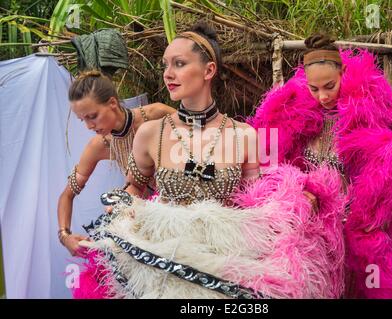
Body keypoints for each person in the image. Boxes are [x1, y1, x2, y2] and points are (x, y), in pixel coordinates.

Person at [73, 24, 346, 299]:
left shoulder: (245, 135)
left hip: (226, 268)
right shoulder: (150, 133)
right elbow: (134, 187)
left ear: (209, 70)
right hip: (164, 264)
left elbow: (258, 200)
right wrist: (122, 206)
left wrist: (299, 199)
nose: (168, 74)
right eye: (165, 65)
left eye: (179, 64)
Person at [249, 33, 392, 298]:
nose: (323, 96)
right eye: (314, 89)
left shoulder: (368, 118)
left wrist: (369, 217)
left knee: (367, 287)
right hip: (311, 233)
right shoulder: (295, 119)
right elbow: (269, 165)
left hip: (354, 233)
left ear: (344, 75)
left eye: (329, 85)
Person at [57, 70, 175, 257]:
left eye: (92, 116)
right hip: (146, 226)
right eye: (83, 120)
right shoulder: (100, 144)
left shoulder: (157, 114)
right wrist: (65, 235)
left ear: (112, 103)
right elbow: (66, 195)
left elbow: (200, 142)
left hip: (184, 211)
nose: (89, 126)